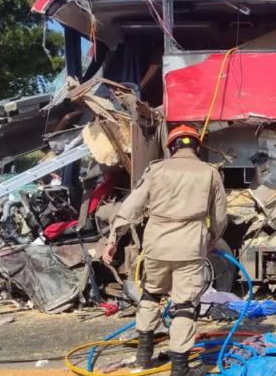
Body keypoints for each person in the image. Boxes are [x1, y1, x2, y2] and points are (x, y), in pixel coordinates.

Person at [102, 125, 227, 376]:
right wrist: (213, 238)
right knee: (184, 305)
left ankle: (142, 358)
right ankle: (180, 368)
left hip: (157, 244)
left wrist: (113, 238)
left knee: (151, 295)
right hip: (190, 246)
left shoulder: (156, 169)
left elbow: (132, 205)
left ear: (171, 148)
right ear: (197, 147)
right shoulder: (209, 173)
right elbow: (220, 215)